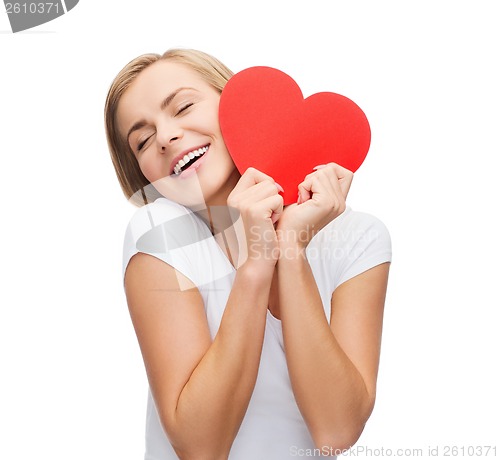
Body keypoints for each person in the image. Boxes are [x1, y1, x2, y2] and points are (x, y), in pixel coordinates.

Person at [104, 48, 391, 460]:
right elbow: (201, 447)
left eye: (184, 106)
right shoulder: (159, 232)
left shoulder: (359, 236)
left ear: (237, 104)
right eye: (143, 140)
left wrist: (290, 248)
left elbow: (336, 431)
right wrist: (256, 263)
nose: (165, 137)